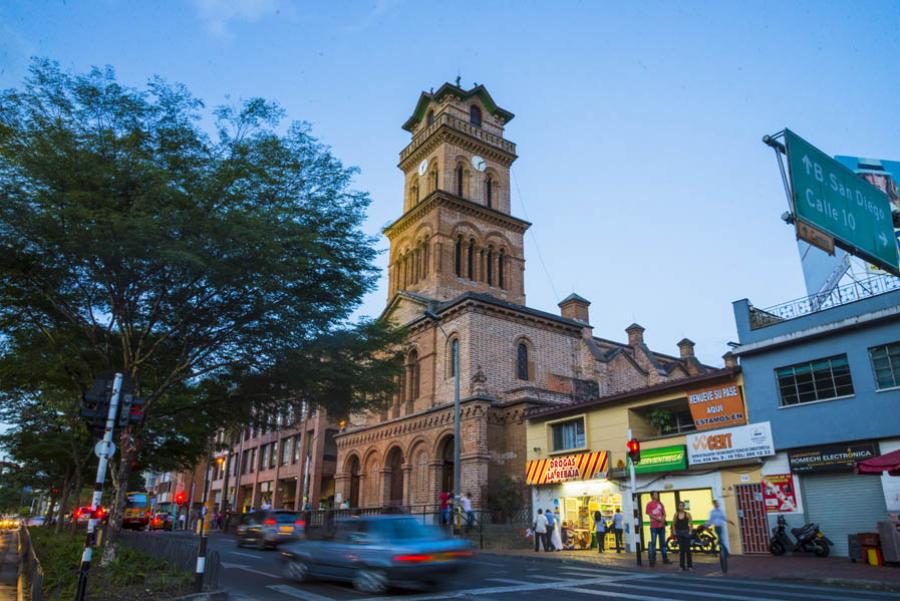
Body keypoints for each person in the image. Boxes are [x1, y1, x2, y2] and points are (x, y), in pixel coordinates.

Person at [706, 499, 735, 573]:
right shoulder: (712, 512)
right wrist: (706, 525)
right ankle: (725, 553)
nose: (717, 504)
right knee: (720, 540)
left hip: (720, 527)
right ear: (714, 504)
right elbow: (711, 520)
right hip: (716, 527)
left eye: (717, 503)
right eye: (716, 503)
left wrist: (730, 522)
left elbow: (723, 518)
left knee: (720, 540)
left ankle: (720, 551)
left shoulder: (720, 511)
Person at [645, 492, 671, 566]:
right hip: (654, 526)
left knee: (663, 543)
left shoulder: (660, 503)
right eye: (655, 495)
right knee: (653, 543)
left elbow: (664, 513)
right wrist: (658, 519)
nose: (657, 496)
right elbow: (649, 514)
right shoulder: (649, 504)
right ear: (652, 496)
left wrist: (663, 518)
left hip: (661, 526)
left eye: (657, 494)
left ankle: (665, 558)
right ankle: (653, 558)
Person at [672, 501, 693, 571]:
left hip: (686, 533)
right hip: (679, 534)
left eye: (682, 506)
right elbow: (673, 523)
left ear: (684, 507)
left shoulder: (687, 514)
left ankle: (690, 566)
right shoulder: (676, 514)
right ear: (678, 507)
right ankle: (681, 566)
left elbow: (690, 522)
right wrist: (674, 531)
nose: (681, 507)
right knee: (681, 550)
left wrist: (690, 531)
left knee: (688, 550)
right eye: (680, 506)